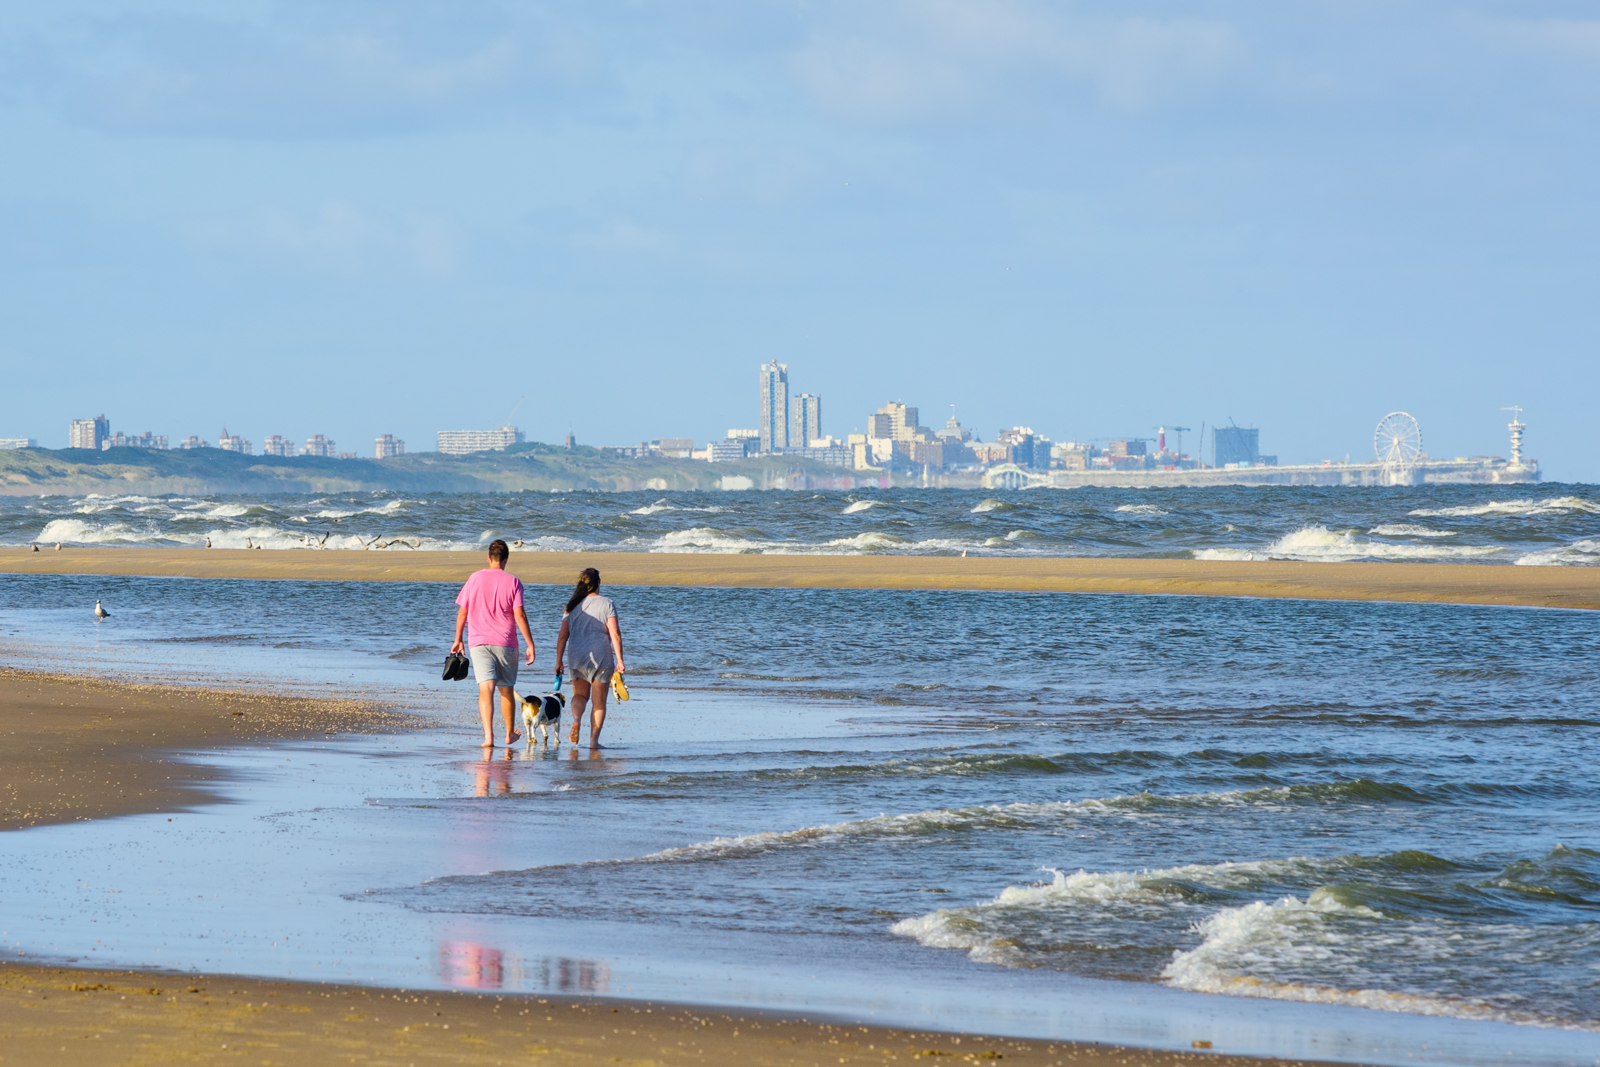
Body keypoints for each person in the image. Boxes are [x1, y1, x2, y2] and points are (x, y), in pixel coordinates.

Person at [451, 539, 536, 748]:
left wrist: (458, 638)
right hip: (506, 642)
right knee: (506, 689)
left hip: (478, 642)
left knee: (485, 690)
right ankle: (508, 734)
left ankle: (488, 737)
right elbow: (520, 615)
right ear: (506, 559)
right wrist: (530, 643)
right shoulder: (513, 581)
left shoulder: (474, 578)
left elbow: (463, 611)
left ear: (488, 558)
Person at [554, 567, 625, 750]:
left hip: (576, 656)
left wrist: (559, 660)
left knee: (579, 695)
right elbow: (615, 633)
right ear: (598, 583)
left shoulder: (571, 606)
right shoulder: (607, 603)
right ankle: (593, 742)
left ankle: (577, 720)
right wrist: (620, 660)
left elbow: (563, 636)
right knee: (599, 702)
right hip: (601, 656)